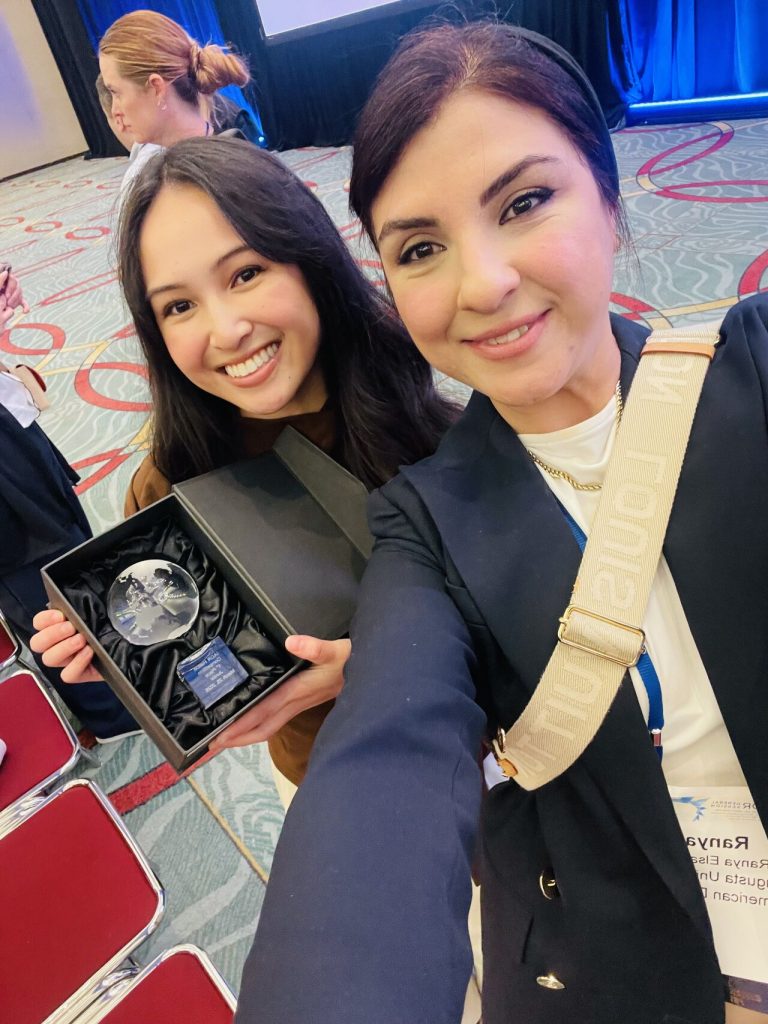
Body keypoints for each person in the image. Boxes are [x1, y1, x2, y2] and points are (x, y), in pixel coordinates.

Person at [233, 21, 768, 1024]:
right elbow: (387, 766)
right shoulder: (424, 525)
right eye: (420, 249)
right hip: (627, 965)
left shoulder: (756, 365)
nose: (481, 284)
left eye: (524, 203)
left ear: (608, 194)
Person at [31, 136, 458, 795]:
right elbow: (206, 661)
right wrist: (124, 661)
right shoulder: (170, 485)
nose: (226, 330)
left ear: (308, 259)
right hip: (325, 776)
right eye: (179, 306)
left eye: (245, 273)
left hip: (480, 741)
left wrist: (378, 663)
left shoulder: (432, 420)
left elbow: (524, 620)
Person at [0, 271, 138, 740]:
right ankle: (110, 716)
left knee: (75, 561)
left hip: (13, 437)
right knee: (41, 598)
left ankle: (118, 678)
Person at [97, 10, 250, 205]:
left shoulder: (204, 189)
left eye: (116, 93)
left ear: (156, 88)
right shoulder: (147, 162)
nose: (114, 110)